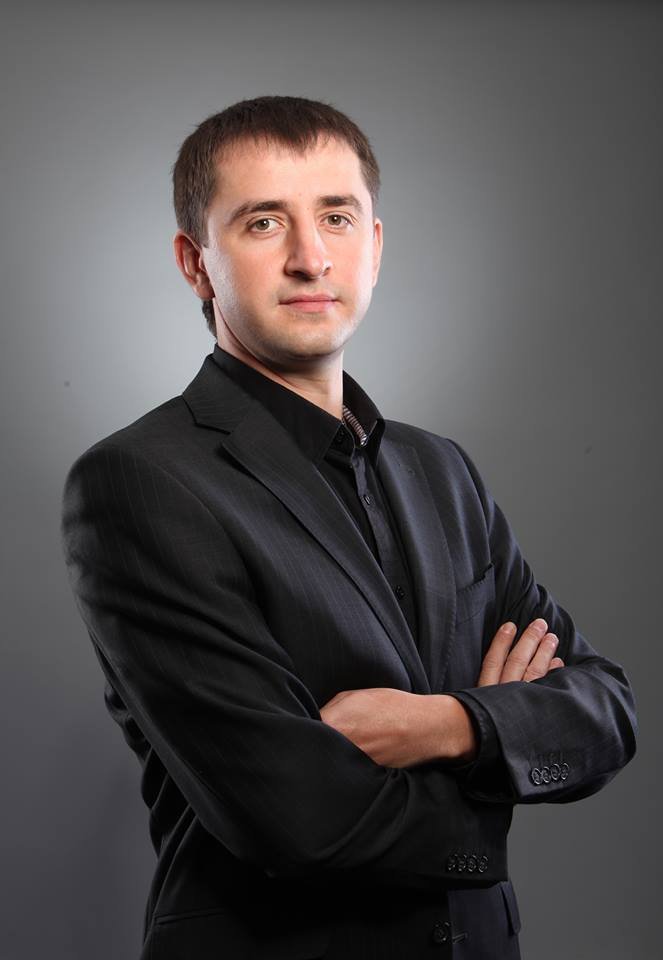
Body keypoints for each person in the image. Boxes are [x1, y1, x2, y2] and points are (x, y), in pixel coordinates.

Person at [61, 95, 637, 960]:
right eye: (263, 223)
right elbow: (297, 818)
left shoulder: (441, 470)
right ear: (195, 264)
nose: (310, 257)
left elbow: (606, 713)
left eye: (335, 217)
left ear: (374, 244)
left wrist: (448, 726)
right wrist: (509, 739)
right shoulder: (140, 482)